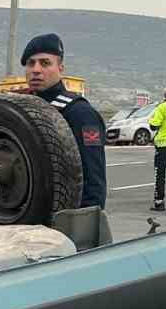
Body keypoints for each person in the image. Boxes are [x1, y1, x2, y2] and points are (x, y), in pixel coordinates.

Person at [20, 33, 106, 208]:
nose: (36, 69)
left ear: (60, 68)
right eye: (31, 63)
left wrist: (84, 224)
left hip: (63, 215)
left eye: (45, 63)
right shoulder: (23, 111)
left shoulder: (80, 113)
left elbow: (92, 180)